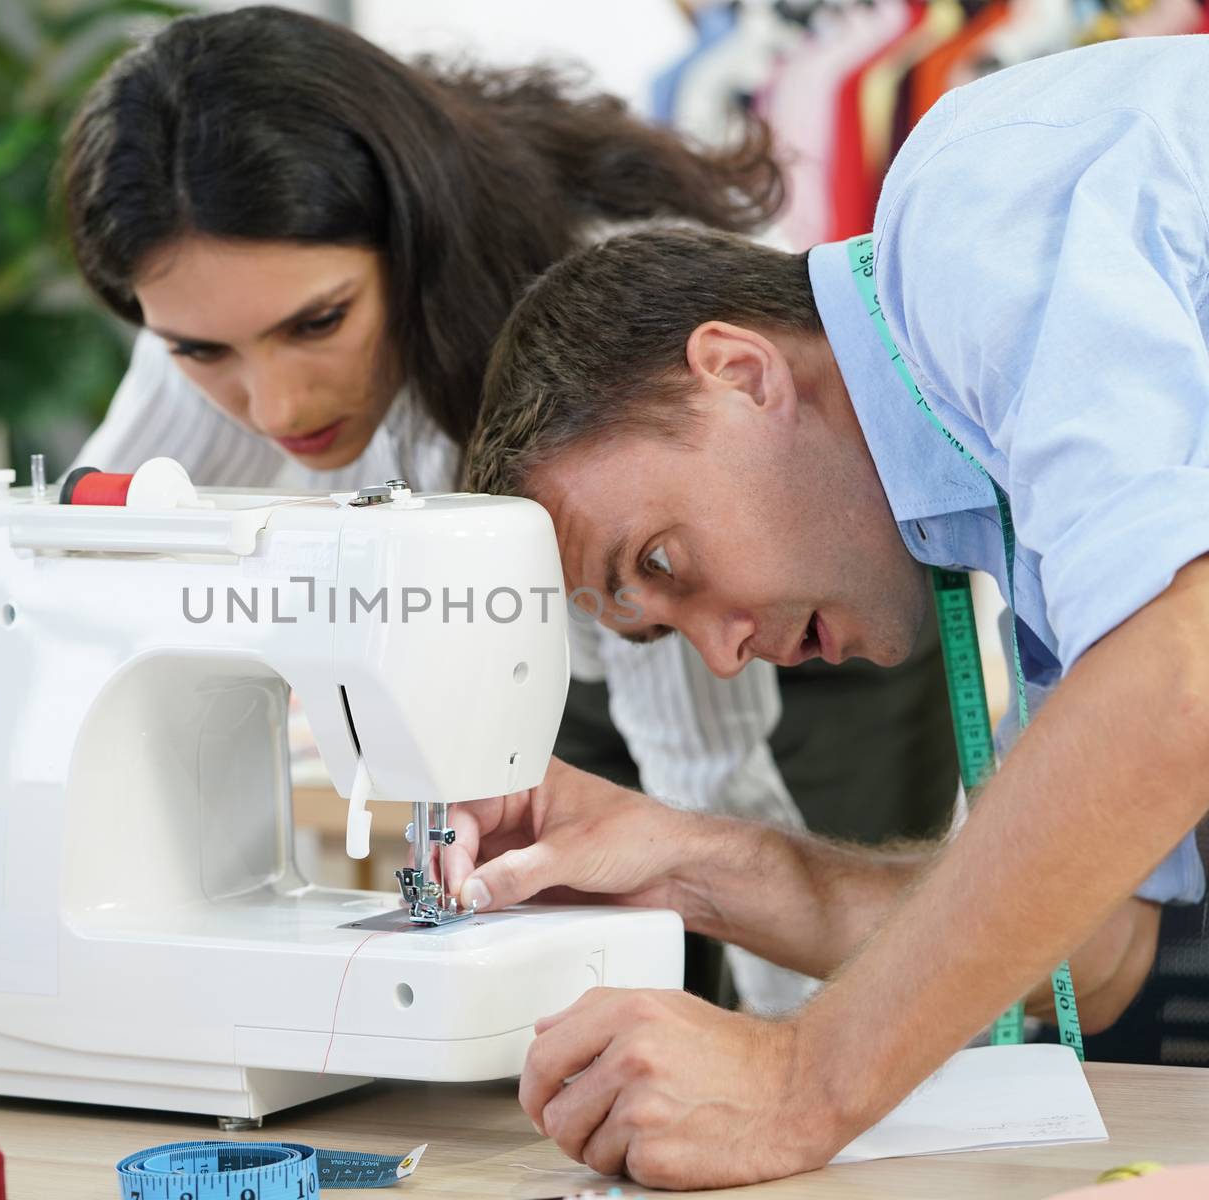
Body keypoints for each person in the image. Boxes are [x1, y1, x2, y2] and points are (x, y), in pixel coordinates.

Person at [0, 4, 826, 1050]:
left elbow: (708, 765)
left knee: (800, 956)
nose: (276, 410)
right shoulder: (212, 306)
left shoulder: (591, 319)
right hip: (535, 685)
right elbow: (57, 617)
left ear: (409, 238)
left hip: (789, 637)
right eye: (201, 352)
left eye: (319, 323)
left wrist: (808, 1066)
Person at [456, 33, 1209, 1191]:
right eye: (658, 628)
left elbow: (1184, 683)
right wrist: (687, 863)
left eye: (662, 559)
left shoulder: (969, 210)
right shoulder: (1025, 529)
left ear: (742, 374)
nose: (720, 653)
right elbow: (1099, 951)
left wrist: (800, 1083)